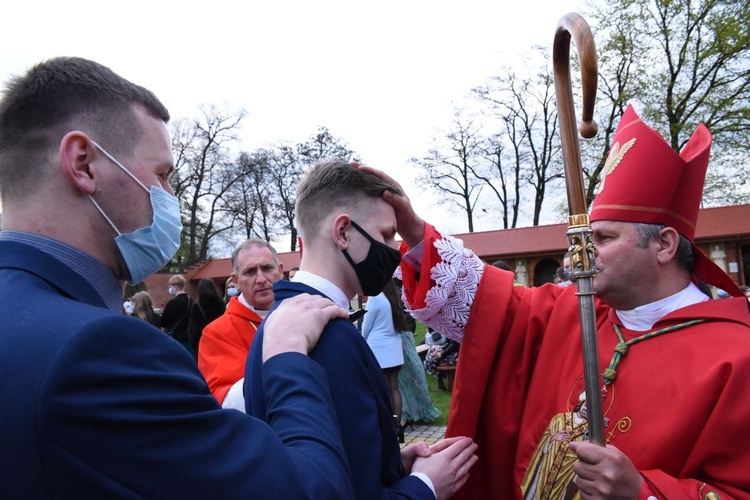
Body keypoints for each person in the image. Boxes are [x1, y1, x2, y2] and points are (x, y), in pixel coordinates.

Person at [0, 56, 364, 497]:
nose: (170, 197)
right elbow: (307, 492)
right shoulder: (101, 349)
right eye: (162, 175)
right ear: (83, 164)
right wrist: (285, 354)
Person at [362, 104, 750, 498]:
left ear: (664, 244)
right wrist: (413, 231)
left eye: (604, 239)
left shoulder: (737, 356)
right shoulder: (573, 310)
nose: (582, 254)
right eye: (585, 238)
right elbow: (487, 309)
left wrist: (642, 492)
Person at [245, 159, 479, 499]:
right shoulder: (325, 335)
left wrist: (392, 464)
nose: (393, 251)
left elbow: (341, 463)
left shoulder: (285, 318)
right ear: (342, 232)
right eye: (386, 235)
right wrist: (426, 485)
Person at [198, 239, 283, 410]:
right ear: (236, 280)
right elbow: (221, 399)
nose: (261, 279)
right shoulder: (217, 332)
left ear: (280, 271)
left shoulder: (302, 312)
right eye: (250, 272)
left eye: (267, 268)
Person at [361, 278, 406, 441]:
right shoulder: (393, 297)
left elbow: (367, 324)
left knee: (381, 389)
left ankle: (386, 425)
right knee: (394, 388)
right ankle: (396, 426)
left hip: (378, 350)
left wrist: (361, 338)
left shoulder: (376, 297)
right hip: (394, 349)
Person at [398, 307, 441, 425]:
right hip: (404, 334)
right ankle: (410, 413)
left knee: (405, 379)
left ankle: (406, 415)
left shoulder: (389, 297)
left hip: (402, 336)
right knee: (407, 379)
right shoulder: (394, 296)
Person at [187, 278, 226, 356]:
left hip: (202, 344)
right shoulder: (221, 304)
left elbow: (194, 329)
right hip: (218, 343)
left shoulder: (197, 306)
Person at [160, 274, 192, 353]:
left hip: (176, 337)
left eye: (170, 286)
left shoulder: (173, 303)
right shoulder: (191, 301)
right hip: (189, 337)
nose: (170, 289)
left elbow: (163, 321)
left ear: (176, 287)